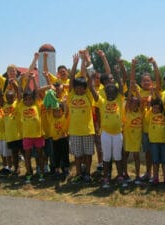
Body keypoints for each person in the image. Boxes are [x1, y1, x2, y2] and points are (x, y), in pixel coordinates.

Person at [91, 61, 127, 189]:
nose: (111, 94)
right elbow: (92, 90)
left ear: (116, 93)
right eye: (108, 92)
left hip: (118, 134)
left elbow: (121, 85)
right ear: (105, 92)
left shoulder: (119, 98)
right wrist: (91, 78)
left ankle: (120, 176)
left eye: (113, 92)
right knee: (106, 157)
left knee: (118, 156)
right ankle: (106, 178)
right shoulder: (101, 101)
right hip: (105, 134)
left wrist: (117, 74)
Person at [68, 53, 95, 184]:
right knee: (77, 155)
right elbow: (72, 77)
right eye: (76, 87)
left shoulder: (88, 95)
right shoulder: (71, 95)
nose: (79, 90)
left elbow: (91, 77)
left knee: (88, 154)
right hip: (74, 131)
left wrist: (88, 61)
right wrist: (75, 63)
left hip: (88, 130)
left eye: (81, 88)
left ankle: (88, 174)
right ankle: (79, 173)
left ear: (85, 89)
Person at [19, 74, 45, 183]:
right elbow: (22, 92)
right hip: (27, 136)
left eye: (30, 99)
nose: (28, 101)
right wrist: (27, 80)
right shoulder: (21, 106)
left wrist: (33, 79)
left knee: (40, 155)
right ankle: (29, 173)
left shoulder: (36, 105)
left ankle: (41, 173)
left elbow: (37, 93)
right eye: (26, 99)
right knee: (28, 156)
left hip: (38, 135)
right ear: (23, 100)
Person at [123, 59, 143, 185]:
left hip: (136, 138)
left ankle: (137, 176)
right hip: (127, 137)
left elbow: (139, 98)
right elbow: (129, 94)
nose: (133, 103)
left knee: (136, 157)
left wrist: (137, 91)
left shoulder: (141, 111)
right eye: (131, 102)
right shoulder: (127, 111)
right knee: (125, 156)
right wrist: (133, 67)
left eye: (136, 102)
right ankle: (125, 174)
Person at [148, 97, 165, 186]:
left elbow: (163, 105)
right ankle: (155, 178)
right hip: (153, 142)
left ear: (161, 108)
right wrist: (152, 92)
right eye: (154, 107)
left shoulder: (164, 115)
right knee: (155, 161)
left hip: (163, 142)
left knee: (164, 161)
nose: (155, 109)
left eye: (158, 108)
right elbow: (150, 102)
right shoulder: (150, 114)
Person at [48, 101, 70, 180]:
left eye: (59, 111)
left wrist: (65, 103)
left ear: (62, 111)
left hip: (63, 139)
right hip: (55, 140)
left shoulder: (64, 117)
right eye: (55, 111)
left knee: (65, 155)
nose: (57, 113)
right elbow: (49, 109)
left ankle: (66, 170)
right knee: (56, 156)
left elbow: (67, 111)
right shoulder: (51, 118)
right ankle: (57, 170)